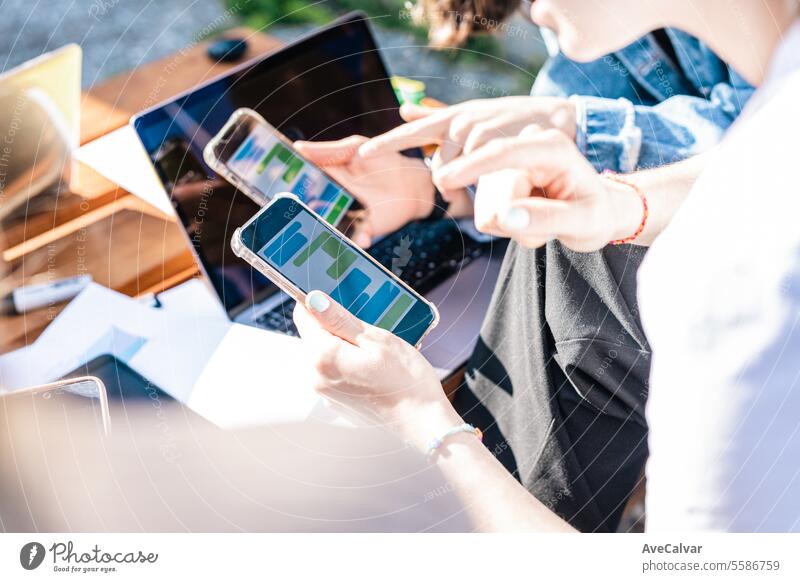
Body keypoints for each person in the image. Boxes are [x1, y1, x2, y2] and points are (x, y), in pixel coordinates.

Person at [291, 0, 800, 532]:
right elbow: (760, 160)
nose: (525, 11)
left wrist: (420, 421)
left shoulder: (745, 288)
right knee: (573, 249)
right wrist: (615, 204)